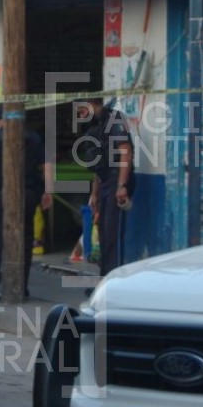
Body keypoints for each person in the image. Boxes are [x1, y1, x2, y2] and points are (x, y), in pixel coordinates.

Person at [0, 103, 54, 297]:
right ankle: (22, 287)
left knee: (4, 242)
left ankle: (8, 287)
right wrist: (48, 191)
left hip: (1, 197)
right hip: (28, 196)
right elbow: (47, 165)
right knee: (25, 240)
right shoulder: (33, 138)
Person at [75, 96, 135, 277]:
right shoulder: (98, 126)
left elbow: (126, 153)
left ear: (92, 103)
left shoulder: (114, 119)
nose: (81, 115)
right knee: (103, 233)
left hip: (117, 182)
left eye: (82, 110)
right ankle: (105, 278)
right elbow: (99, 164)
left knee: (112, 235)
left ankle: (113, 281)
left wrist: (122, 185)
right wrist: (94, 194)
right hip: (105, 182)